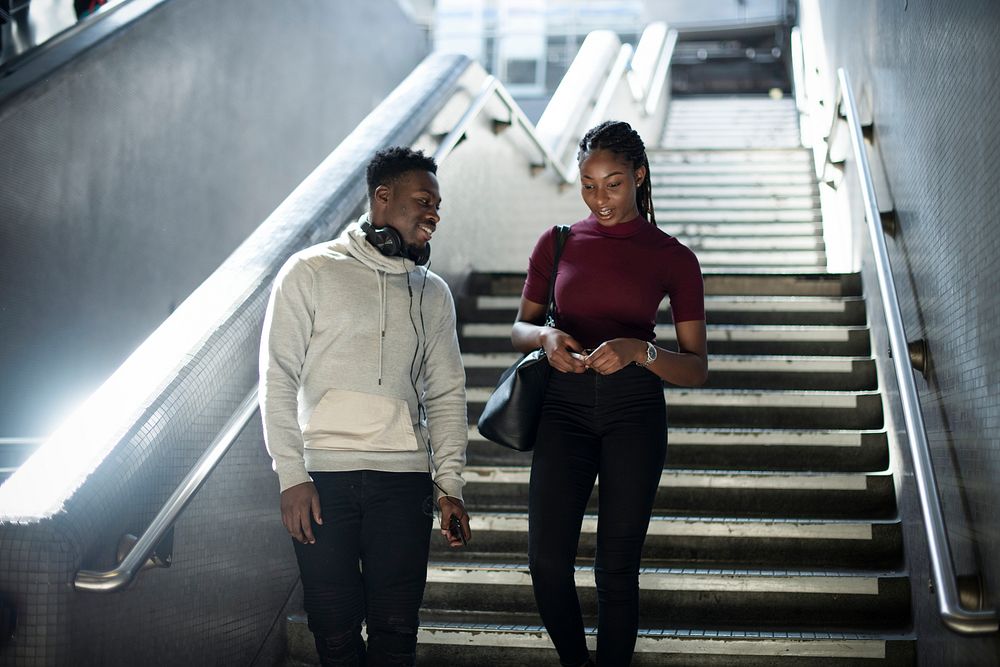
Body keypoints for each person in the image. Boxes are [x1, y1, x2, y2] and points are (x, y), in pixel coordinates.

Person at [259, 146, 472, 666]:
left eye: (438, 205)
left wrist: (449, 487)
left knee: (396, 630)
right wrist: (291, 475)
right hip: (321, 481)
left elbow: (446, 392)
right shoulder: (308, 271)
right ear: (383, 196)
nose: (433, 214)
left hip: (402, 482)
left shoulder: (433, 293)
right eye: (423, 200)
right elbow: (277, 378)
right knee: (332, 630)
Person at [511, 120, 708, 667]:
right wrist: (547, 336)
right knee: (547, 562)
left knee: (615, 568)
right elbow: (519, 329)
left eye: (614, 183)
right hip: (562, 412)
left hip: (635, 415)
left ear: (640, 177)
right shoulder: (557, 242)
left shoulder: (673, 257)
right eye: (589, 184)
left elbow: (695, 367)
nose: (600, 198)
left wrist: (639, 350)